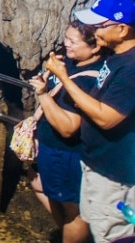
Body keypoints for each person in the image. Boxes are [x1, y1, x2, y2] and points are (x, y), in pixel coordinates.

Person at [45, 0, 135, 243]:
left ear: (121, 29)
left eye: (99, 25)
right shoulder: (117, 59)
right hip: (97, 164)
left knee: (113, 236)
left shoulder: (131, 68)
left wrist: (63, 78)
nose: (93, 29)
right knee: (95, 224)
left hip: (113, 174)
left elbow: (107, 118)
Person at [29, 20, 105, 243]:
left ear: (95, 47)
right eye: (66, 38)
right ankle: (69, 233)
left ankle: (74, 235)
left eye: (73, 41)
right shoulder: (69, 62)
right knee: (35, 181)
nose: (66, 44)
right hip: (52, 149)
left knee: (76, 211)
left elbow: (67, 128)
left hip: (66, 153)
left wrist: (43, 93)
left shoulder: (88, 80)